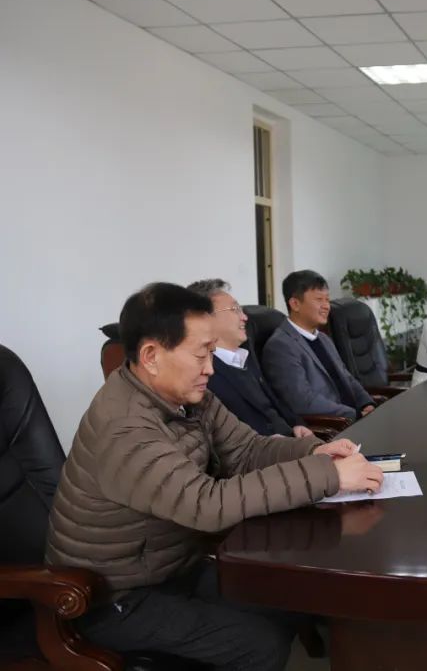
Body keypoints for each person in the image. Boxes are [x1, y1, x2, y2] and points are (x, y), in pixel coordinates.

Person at [44, 282, 384, 670]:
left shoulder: (188, 396)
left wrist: (314, 451)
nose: (210, 367)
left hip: (173, 567)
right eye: (201, 353)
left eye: (211, 352)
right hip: (111, 596)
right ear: (152, 356)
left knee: (288, 599)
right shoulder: (123, 427)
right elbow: (207, 505)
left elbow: (247, 450)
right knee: (260, 645)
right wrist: (328, 476)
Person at [187, 278, 314, 438]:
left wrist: (297, 425)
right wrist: (268, 443)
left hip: (293, 442)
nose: (245, 317)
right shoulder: (204, 375)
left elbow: (275, 404)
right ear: (206, 318)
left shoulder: (246, 357)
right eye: (235, 309)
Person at [262, 270, 376, 419]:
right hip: (334, 425)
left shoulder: (323, 338)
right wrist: (355, 414)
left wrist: (366, 403)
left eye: (327, 299)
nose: (326, 306)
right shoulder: (280, 346)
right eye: (319, 299)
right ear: (295, 304)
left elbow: (347, 378)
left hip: (354, 417)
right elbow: (303, 401)